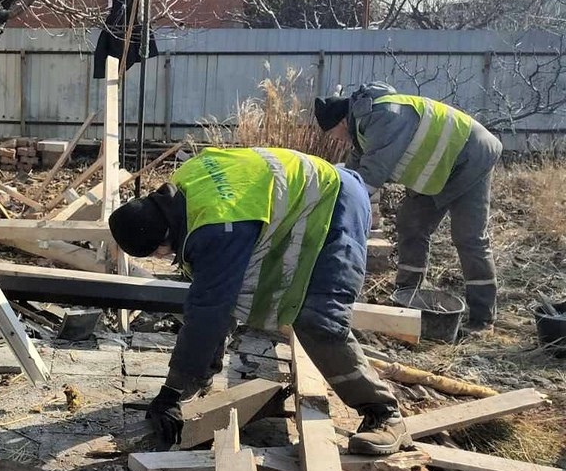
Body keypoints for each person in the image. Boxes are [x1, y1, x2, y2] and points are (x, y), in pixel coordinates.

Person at [107, 147, 411, 455]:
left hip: (336, 208)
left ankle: (385, 414)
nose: (165, 257)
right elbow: (214, 297)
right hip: (307, 200)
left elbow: (209, 308)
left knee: (318, 319)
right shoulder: (185, 184)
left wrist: (171, 392)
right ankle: (200, 377)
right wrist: (188, 378)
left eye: (160, 253)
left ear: (163, 237)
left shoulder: (216, 227)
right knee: (227, 289)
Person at [314, 84, 502, 332]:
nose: (335, 140)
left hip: (469, 156)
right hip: (438, 169)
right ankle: (406, 296)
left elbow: (370, 177)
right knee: (410, 225)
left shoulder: (383, 117)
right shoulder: (363, 129)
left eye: (332, 134)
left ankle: (482, 317)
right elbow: (352, 177)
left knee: (468, 236)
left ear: (340, 123)